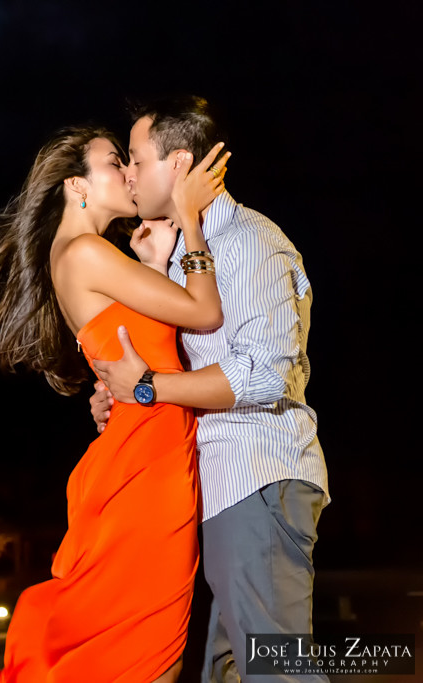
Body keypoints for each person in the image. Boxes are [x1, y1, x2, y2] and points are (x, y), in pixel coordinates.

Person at [0, 122, 229, 682]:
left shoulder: (84, 253)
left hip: (138, 452)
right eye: (114, 162)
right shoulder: (84, 250)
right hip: (146, 468)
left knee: (140, 650)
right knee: (149, 654)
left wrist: (154, 265)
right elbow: (204, 312)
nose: (129, 174)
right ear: (77, 187)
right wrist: (192, 226)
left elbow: (133, 342)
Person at [89, 96, 330, 682]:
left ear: (178, 164)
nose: (128, 175)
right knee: (226, 670)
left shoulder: (247, 242)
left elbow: (266, 373)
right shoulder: (183, 257)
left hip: (259, 474)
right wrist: (123, 393)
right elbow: (177, 367)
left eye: (137, 160)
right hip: (221, 486)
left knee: (279, 670)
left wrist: (148, 388)